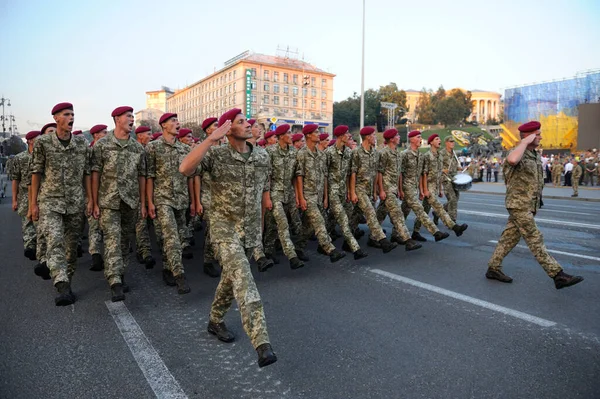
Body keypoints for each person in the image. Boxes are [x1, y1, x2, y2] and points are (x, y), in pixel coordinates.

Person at [179, 108, 277, 368]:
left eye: (247, 121)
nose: (248, 125)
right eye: (241, 122)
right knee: (244, 279)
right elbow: (185, 168)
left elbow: (262, 188)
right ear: (228, 128)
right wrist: (210, 139)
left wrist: (261, 225)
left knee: (230, 278)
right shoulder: (216, 155)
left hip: (249, 230)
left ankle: (215, 320)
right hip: (224, 229)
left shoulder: (262, 157)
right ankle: (261, 342)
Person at [486, 121, 583, 289]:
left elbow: (536, 182)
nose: (540, 137)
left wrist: (535, 204)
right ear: (527, 136)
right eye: (537, 134)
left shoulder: (535, 155)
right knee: (534, 238)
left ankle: (493, 268)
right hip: (518, 204)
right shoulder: (517, 152)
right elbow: (512, 159)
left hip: (528, 204)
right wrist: (523, 142)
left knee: (509, 238)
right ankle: (557, 275)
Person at [30, 102, 92, 306]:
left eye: (73, 114)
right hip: (50, 201)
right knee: (55, 240)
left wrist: (90, 199)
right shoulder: (43, 143)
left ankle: (67, 284)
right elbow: (36, 174)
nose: (71, 118)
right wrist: (33, 204)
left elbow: (86, 174)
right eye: (67, 114)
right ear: (56, 118)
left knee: (71, 248)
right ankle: (61, 283)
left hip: (75, 202)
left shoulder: (82, 144)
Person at [91, 107, 146, 302]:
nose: (132, 119)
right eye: (128, 116)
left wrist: (143, 203)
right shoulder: (102, 145)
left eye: (132, 116)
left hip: (130, 201)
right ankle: (114, 281)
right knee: (112, 238)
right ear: (117, 119)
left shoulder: (137, 148)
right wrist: (94, 201)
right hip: (109, 201)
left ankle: (120, 273)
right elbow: (95, 174)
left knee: (125, 241)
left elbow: (141, 177)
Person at [146, 113, 194, 294]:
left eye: (177, 121)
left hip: (181, 199)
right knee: (171, 237)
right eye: (173, 121)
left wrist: (192, 201)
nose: (177, 123)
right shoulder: (153, 148)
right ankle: (179, 275)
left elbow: (189, 177)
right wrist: (149, 202)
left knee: (179, 238)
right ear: (163, 125)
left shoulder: (184, 149)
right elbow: (149, 176)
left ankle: (168, 267)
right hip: (162, 199)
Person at [295, 124, 346, 262]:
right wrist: (301, 197)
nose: (319, 134)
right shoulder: (301, 154)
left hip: (318, 195)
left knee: (308, 226)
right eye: (316, 132)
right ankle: (330, 249)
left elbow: (324, 176)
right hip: (308, 195)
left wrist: (325, 197)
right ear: (308, 136)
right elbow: (298, 177)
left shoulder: (321, 155)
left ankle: (298, 247)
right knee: (319, 222)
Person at [263, 124, 306, 269]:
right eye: (288, 133)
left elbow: (296, 176)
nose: (292, 135)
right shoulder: (270, 151)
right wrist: (267, 197)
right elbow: (266, 177)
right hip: (274, 193)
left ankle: (294, 249)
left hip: (289, 193)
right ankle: (291, 257)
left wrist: (299, 197)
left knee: (296, 223)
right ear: (281, 136)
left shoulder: (294, 152)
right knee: (281, 224)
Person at [349, 127, 397, 252]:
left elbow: (377, 173)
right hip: (359, 188)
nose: (375, 137)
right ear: (368, 137)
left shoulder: (375, 153)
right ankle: (383, 241)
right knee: (370, 213)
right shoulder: (356, 152)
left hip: (370, 189)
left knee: (356, 215)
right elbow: (352, 173)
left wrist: (377, 190)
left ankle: (347, 240)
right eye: (374, 135)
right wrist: (352, 192)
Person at [325, 125, 369, 258]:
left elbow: (351, 174)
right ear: (340, 136)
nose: (349, 135)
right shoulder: (329, 153)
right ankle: (355, 249)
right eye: (346, 133)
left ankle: (323, 241)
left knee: (342, 218)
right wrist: (325, 197)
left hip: (344, 191)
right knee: (343, 219)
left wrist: (351, 192)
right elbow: (325, 176)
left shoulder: (349, 153)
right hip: (333, 192)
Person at [414, 134, 468, 239]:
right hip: (428, 187)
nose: (439, 140)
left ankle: (415, 232)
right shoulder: (427, 156)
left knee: (424, 211)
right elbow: (423, 174)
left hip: (436, 186)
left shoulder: (439, 156)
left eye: (439, 138)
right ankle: (454, 226)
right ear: (431, 142)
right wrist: (423, 190)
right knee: (439, 207)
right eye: (436, 139)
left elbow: (438, 174)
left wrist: (439, 189)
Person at [375, 128, 421, 251]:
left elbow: (399, 173)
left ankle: (373, 237)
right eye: (397, 136)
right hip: (387, 188)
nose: (399, 137)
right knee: (397, 213)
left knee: (381, 212)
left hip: (394, 188)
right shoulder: (384, 153)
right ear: (391, 139)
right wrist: (381, 190)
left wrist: (400, 190)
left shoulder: (397, 153)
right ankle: (408, 240)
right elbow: (379, 172)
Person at [400, 131, 450, 242]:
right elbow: (400, 173)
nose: (421, 139)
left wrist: (422, 190)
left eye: (421, 137)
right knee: (419, 209)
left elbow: (421, 174)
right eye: (418, 137)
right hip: (406, 187)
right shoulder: (404, 154)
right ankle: (435, 232)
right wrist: (400, 190)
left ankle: (396, 233)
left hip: (415, 188)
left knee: (404, 211)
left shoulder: (420, 155)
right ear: (412, 139)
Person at [197, 117, 222, 278]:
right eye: (215, 126)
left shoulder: (225, 148)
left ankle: (219, 257)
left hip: (224, 197)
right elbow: (196, 176)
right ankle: (208, 260)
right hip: (208, 195)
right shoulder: (203, 149)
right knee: (213, 229)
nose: (219, 127)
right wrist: (197, 201)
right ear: (208, 131)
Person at [12, 131, 40, 262]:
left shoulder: (44, 155)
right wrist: (14, 199)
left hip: (40, 193)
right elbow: (15, 179)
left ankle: (39, 247)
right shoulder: (20, 158)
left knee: (39, 221)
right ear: (29, 141)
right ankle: (30, 246)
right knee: (27, 220)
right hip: (24, 194)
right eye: (36, 139)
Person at [133, 125, 157, 269]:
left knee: (148, 223)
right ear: (140, 136)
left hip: (152, 192)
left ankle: (140, 248)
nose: (151, 136)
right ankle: (145, 252)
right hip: (137, 192)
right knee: (141, 223)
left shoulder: (151, 149)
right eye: (148, 134)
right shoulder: (135, 149)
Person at [88, 124, 108, 271]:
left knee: (108, 227)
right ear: (95, 135)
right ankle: (95, 254)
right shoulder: (89, 151)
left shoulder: (108, 149)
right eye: (103, 133)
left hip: (107, 194)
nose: (106, 134)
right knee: (94, 225)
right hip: (91, 193)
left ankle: (110, 258)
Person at [440, 136, 460, 222]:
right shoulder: (441, 153)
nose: (452, 143)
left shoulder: (454, 153)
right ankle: (452, 221)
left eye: (453, 142)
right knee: (452, 199)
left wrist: (459, 168)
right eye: (451, 141)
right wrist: (442, 170)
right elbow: (435, 166)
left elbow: (454, 165)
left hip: (454, 179)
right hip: (446, 179)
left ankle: (438, 213)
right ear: (446, 143)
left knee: (456, 198)